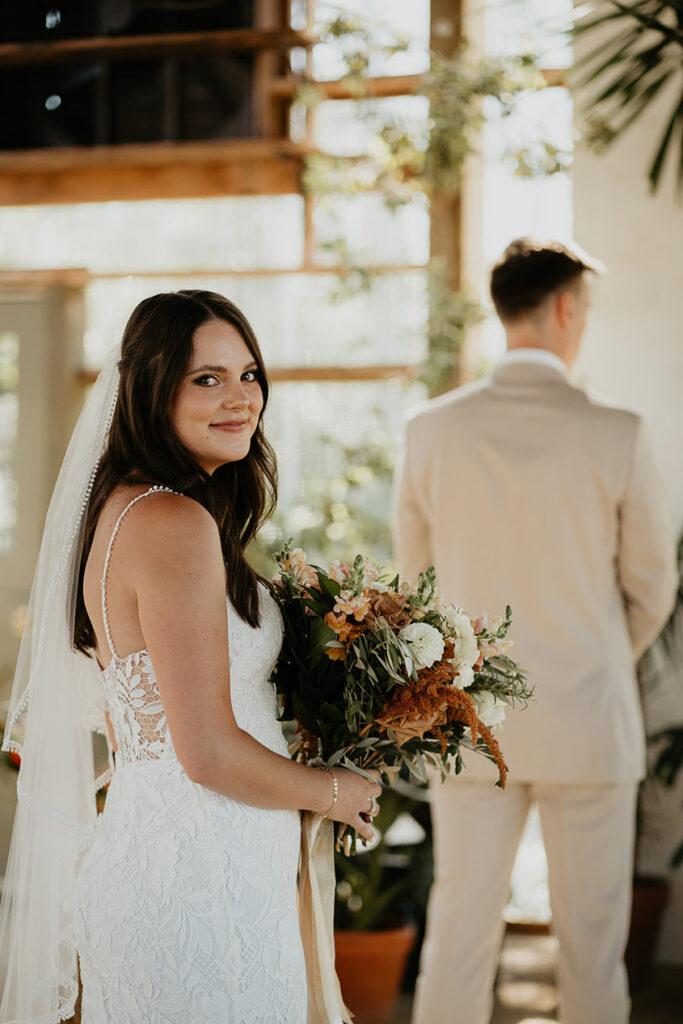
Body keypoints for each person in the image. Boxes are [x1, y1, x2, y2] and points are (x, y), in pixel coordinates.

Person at [0, 290, 381, 1024]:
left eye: (247, 374)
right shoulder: (170, 521)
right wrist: (337, 791)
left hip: (202, 864)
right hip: (201, 883)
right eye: (206, 379)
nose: (240, 398)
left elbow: (146, 726)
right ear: (151, 390)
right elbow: (204, 751)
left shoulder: (131, 508)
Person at [394, 239, 678, 1024]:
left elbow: (415, 589)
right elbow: (652, 587)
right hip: (589, 721)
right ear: (564, 308)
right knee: (593, 947)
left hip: (468, 722)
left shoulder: (429, 429)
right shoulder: (618, 432)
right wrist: (591, 659)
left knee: (458, 931)